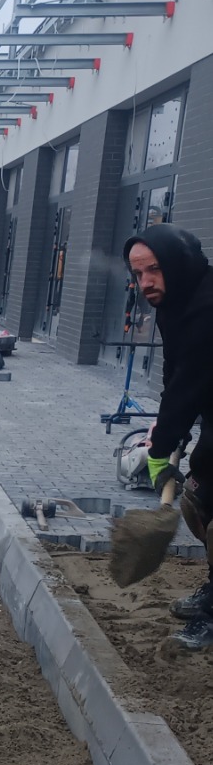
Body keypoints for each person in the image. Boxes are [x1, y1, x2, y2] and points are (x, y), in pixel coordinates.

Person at [124, 223, 213, 649]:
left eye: (153, 269)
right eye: (138, 273)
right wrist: (167, 429)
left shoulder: (207, 308)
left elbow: (188, 384)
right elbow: (176, 373)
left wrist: (160, 450)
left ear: (176, 264)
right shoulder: (174, 301)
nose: (145, 282)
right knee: (199, 500)